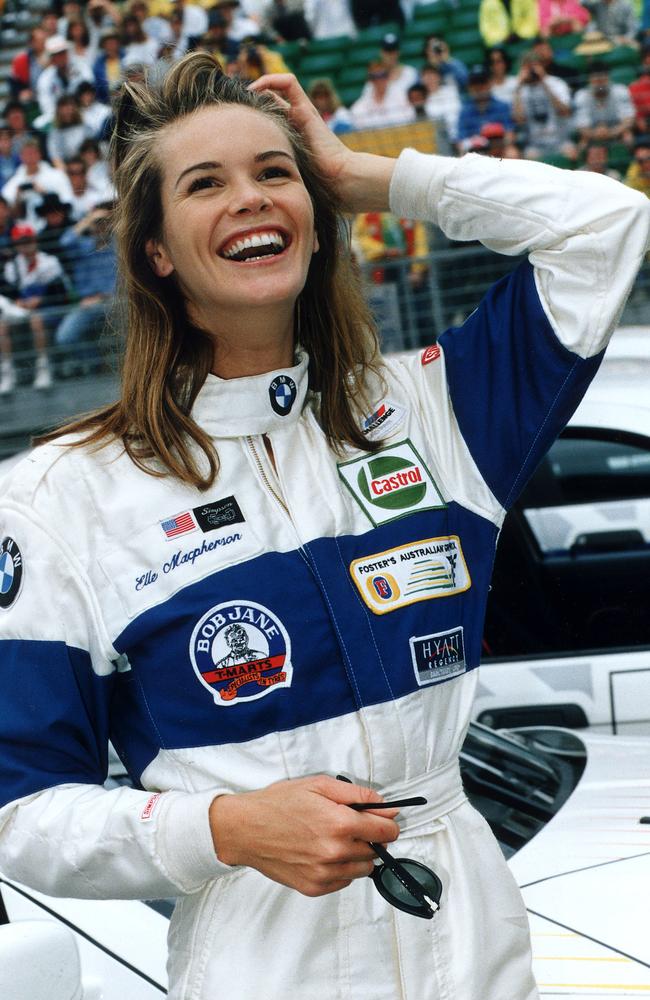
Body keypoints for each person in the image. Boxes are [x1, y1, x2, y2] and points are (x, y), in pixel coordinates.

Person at [0, 51, 647, 1000]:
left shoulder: (432, 409)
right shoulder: (60, 497)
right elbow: (18, 810)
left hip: (474, 934)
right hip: (263, 952)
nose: (253, 199)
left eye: (275, 173)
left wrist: (367, 175)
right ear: (156, 252)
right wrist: (223, 828)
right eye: (206, 184)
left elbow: (610, 225)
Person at [512, 51, 576, 159]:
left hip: (560, 141)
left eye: (534, 66)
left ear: (542, 66)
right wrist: (518, 87)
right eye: (528, 67)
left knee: (572, 155)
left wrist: (544, 82)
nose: (532, 71)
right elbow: (519, 119)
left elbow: (565, 112)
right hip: (535, 145)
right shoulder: (519, 90)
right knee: (529, 160)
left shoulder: (556, 83)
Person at [573, 60, 636, 147]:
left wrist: (611, 132)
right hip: (592, 132)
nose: (600, 85)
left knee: (628, 137)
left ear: (608, 78)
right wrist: (595, 134)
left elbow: (629, 120)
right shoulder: (581, 96)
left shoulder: (621, 90)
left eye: (603, 80)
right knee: (582, 143)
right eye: (596, 81)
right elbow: (581, 126)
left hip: (617, 129)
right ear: (589, 80)